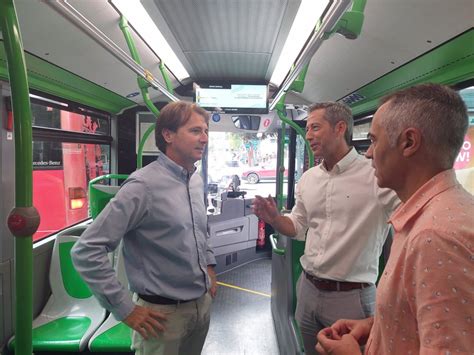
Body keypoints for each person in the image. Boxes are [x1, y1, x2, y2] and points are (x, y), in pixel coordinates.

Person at [316, 83, 474, 355]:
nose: (368, 153)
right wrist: (376, 325)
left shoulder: (435, 237)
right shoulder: (441, 212)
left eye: (374, 140)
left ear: (409, 143)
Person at [253, 102, 400, 354]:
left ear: (339, 128)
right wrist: (275, 219)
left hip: (352, 297)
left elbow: (408, 218)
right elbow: (297, 226)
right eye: (307, 128)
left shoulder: (376, 175)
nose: (308, 135)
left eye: (315, 127)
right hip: (308, 290)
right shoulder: (310, 178)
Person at [71, 101, 217, 355]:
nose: (204, 138)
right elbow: (86, 250)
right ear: (168, 135)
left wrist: (210, 268)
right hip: (161, 317)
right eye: (195, 131)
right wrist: (124, 309)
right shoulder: (142, 186)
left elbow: (199, 232)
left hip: (201, 306)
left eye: (206, 131)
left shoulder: (195, 180)